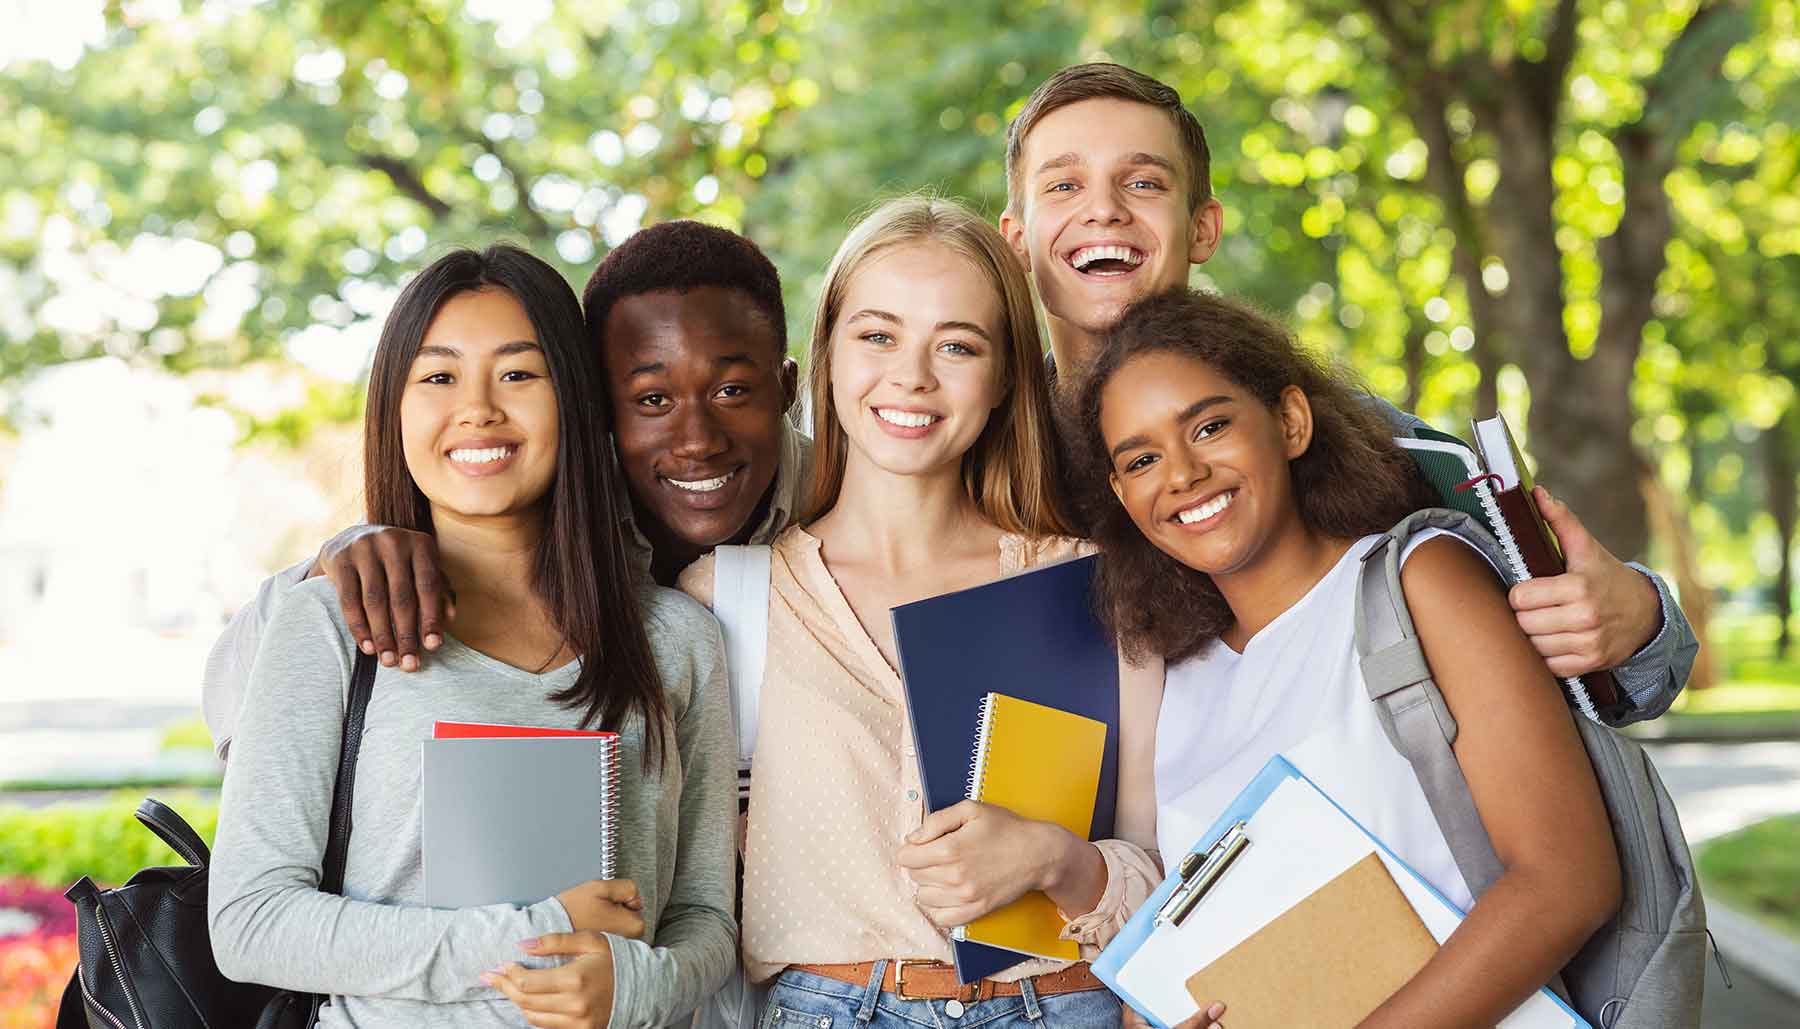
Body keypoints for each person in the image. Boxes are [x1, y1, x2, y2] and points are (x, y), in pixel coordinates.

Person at [996, 62, 1698, 722]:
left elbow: (1587, 677)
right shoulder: (977, 456)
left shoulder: (1351, 438)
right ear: (1017, 241)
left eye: (1144, 183)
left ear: (1203, 227)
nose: (1105, 211)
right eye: (1063, 186)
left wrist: (1636, 620)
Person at [207, 245, 737, 1028]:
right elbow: (249, 921)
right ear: (395, 403)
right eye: (439, 376)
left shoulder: (678, 640)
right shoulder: (329, 622)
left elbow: (703, 913)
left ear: (575, 399)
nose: (479, 408)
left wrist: (638, 985)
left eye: (519, 374)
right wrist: (536, 935)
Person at [678, 197, 1164, 1027]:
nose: (912, 376)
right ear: (826, 351)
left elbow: (1167, 873)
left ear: (1007, 373)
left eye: (957, 345)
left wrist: (1055, 857)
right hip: (828, 1005)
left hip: (1061, 1001)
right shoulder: (726, 598)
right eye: (878, 334)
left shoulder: (1093, 585)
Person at [1078, 288, 1621, 1029]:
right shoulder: (1178, 676)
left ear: (1290, 421)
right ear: (1121, 491)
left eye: (1208, 426)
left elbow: (1569, 881)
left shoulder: (1420, 579)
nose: (1181, 473)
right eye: (1141, 458)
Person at [202, 222, 809, 758]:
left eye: (731, 391)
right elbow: (236, 711)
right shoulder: (522, 519)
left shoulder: (844, 503)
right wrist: (332, 566)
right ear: (595, 404)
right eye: (651, 400)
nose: (697, 440)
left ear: (786, 389)